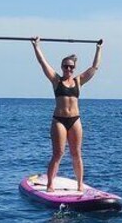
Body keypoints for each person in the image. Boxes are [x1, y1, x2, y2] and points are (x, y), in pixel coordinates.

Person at [32, 37, 104, 192]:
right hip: (59, 120)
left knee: (76, 153)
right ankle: (50, 184)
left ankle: (80, 185)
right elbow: (43, 63)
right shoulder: (56, 80)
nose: (68, 69)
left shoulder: (79, 81)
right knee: (58, 153)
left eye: (71, 67)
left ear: (74, 68)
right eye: (66, 66)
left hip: (75, 120)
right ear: (62, 67)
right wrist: (36, 46)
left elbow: (95, 67)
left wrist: (98, 48)